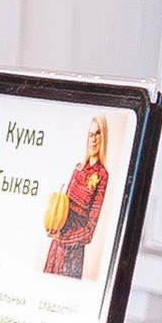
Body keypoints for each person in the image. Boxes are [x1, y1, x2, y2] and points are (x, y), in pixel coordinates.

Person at [44, 115, 110, 281]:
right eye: (90, 135)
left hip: (72, 254)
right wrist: (53, 226)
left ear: (103, 138)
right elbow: (61, 209)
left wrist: (64, 238)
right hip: (55, 248)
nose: (93, 139)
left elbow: (89, 231)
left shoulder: (102, 176)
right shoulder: (78, 168)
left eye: (97, 134)